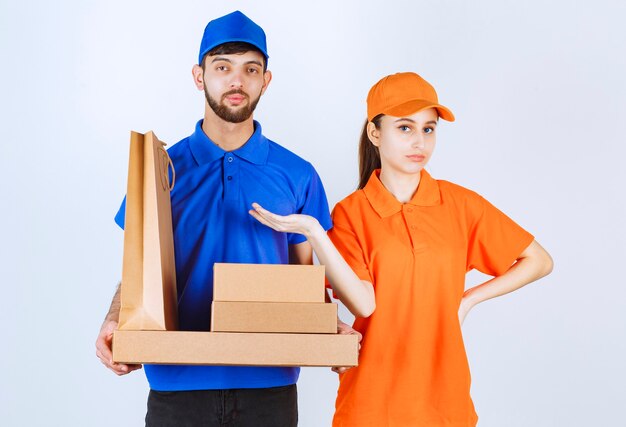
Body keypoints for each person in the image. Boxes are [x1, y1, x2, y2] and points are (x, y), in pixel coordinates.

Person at [249, 71, 554, 426]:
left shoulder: (460, 205)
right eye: (405, 128)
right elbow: (364, 303)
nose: (419, 141)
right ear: (375, 133)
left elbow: (538, 260)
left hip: (446, 405)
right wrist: (315, 232)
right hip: (370, 404)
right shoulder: (351, 213)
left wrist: (468, 299)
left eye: (429, 128)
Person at [95, 10, 343, 427]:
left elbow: (305, 275)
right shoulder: (160, 171)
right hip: (177, 382)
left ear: (265, 80)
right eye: (222, 67)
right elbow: (138, 270)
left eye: (250, 69)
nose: (236, 81)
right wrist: (115, 314)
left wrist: (328, 323)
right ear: (198, 75)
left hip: (269, 384)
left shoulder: (297, 174)